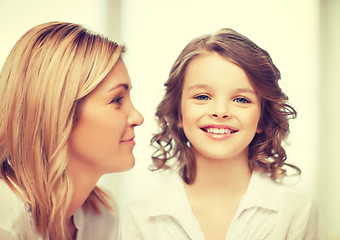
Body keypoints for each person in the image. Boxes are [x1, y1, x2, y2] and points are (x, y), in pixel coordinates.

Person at [120, 28, 326, 239]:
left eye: (241, 99)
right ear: (178, 113)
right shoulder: (139, 216)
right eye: (202, 96)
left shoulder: (298, 211)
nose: (220, 111)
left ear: (262, 119)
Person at [0, 21, 143, 240]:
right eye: (116, 100)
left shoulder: (102, 217)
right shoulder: (6, 218)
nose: (138, 117)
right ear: (59, 112)